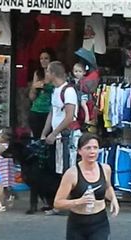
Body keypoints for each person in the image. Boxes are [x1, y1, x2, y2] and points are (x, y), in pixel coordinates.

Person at [41, 61, 80, 215]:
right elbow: (53, 113)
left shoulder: (68, 91)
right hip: (59, 136)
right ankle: (63, 203)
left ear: (53, 73)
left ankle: (67, 204)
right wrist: (45, 133)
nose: (46, 74)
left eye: (47, 72)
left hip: (68, 135)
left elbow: (69, 116)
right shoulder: (56, 91)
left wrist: (54, 132)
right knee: (61, 169)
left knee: (68, 169)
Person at [28, 48, 55, 139]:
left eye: (46, 58)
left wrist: (43, 84)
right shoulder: (38, 73)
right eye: (41, 59)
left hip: (50, 111)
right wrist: (35, 87)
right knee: (37, 138)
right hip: (36, 110)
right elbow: (31, 96)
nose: (43, 61)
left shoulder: (55, 74)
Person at [72, 62, 91, 128]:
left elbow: (85, 89)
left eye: (80, 71)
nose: (77, 73)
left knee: (83, 104)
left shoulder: (84, 80)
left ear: (84, 72)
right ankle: (75, 117)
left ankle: (87, 116)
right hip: (77, 95)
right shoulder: (73, 80)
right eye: (76, 71)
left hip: (83, 94)